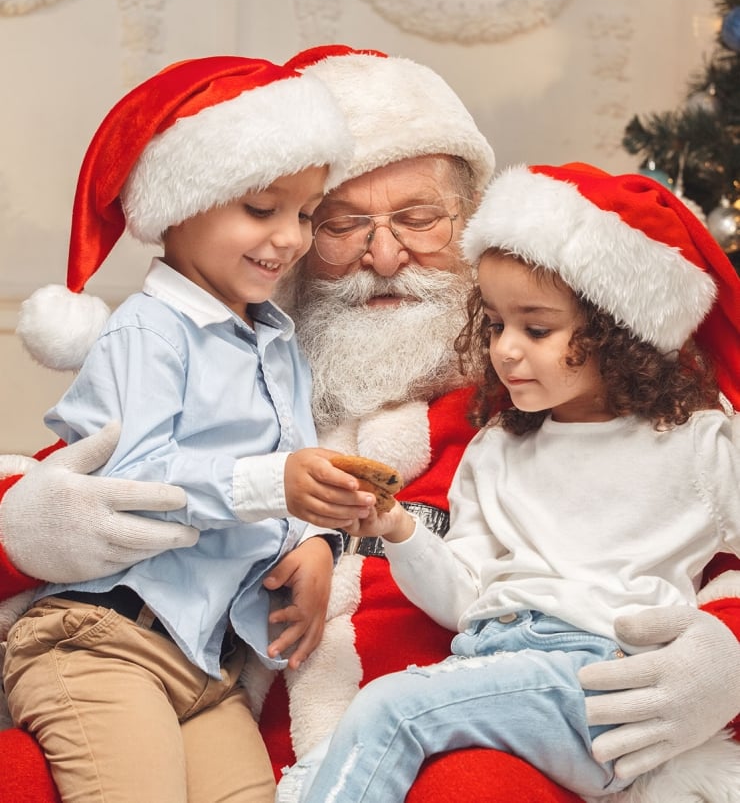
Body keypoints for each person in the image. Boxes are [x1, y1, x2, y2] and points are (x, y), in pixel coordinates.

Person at [0, 46, 739, 803]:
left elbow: (678, 524)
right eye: (339, 225)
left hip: (461, 750)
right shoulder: (224, 376)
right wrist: (25, 528)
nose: (383, 257)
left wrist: (727, 651)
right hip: (211, 715)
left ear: (473, 228)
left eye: (418, 219)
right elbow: (89, 474)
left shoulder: (532, 410)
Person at [276, 161, 740, 802]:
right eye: (495, 324)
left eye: (537, 329)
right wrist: (403, 532)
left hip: (601, 682)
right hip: (490, 662)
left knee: (390, 710)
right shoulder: (497, 447)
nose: (506, 350)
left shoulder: (701, 444)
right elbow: (466, 598)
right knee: (319, 772)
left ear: (618, 333)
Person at [2, 52, 377, 803]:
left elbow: (286, 466)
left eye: (306, 214)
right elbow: (135, 489)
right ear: (182, 204)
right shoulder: (152, 331)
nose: (290, 238)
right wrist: (280, 486)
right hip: (101, 641)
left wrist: (311, 544)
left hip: (205, 667)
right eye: (262, 209)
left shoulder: (277, 344)